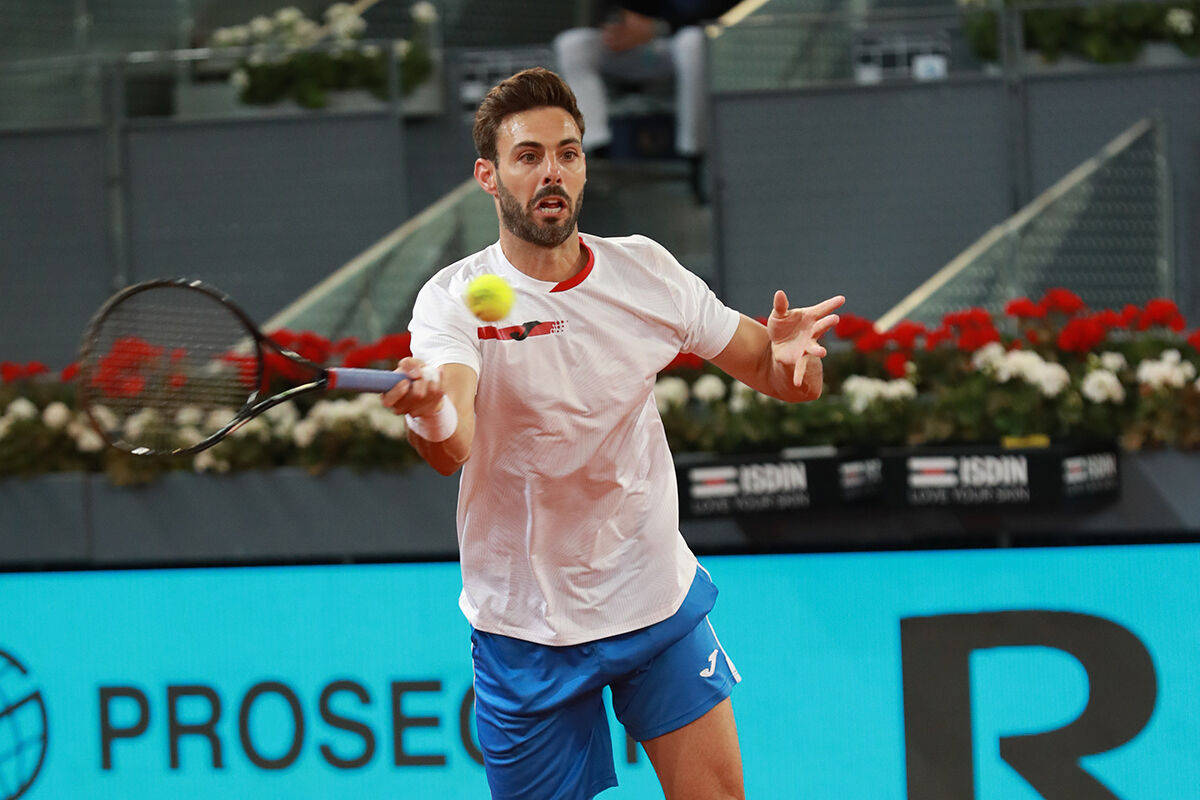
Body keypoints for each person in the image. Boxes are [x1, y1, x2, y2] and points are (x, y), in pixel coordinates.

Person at [382, 67, 843, 800]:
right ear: (489, 176)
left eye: (568, 152)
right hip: (523, 620)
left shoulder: (645, 272)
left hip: (648, 589)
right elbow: (452, 446)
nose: (552, 172)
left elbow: (777, 376)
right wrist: (430, 410)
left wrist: (794, 364)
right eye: (528, 156)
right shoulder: (455, 299)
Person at [553, 1, 739, 158]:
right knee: (573, 44)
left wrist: (659, 26)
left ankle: (694, 152)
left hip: (677, 42)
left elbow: (716, 8)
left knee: (693, 42)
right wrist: (614, 28)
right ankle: (596, 145)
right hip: (636, 49)